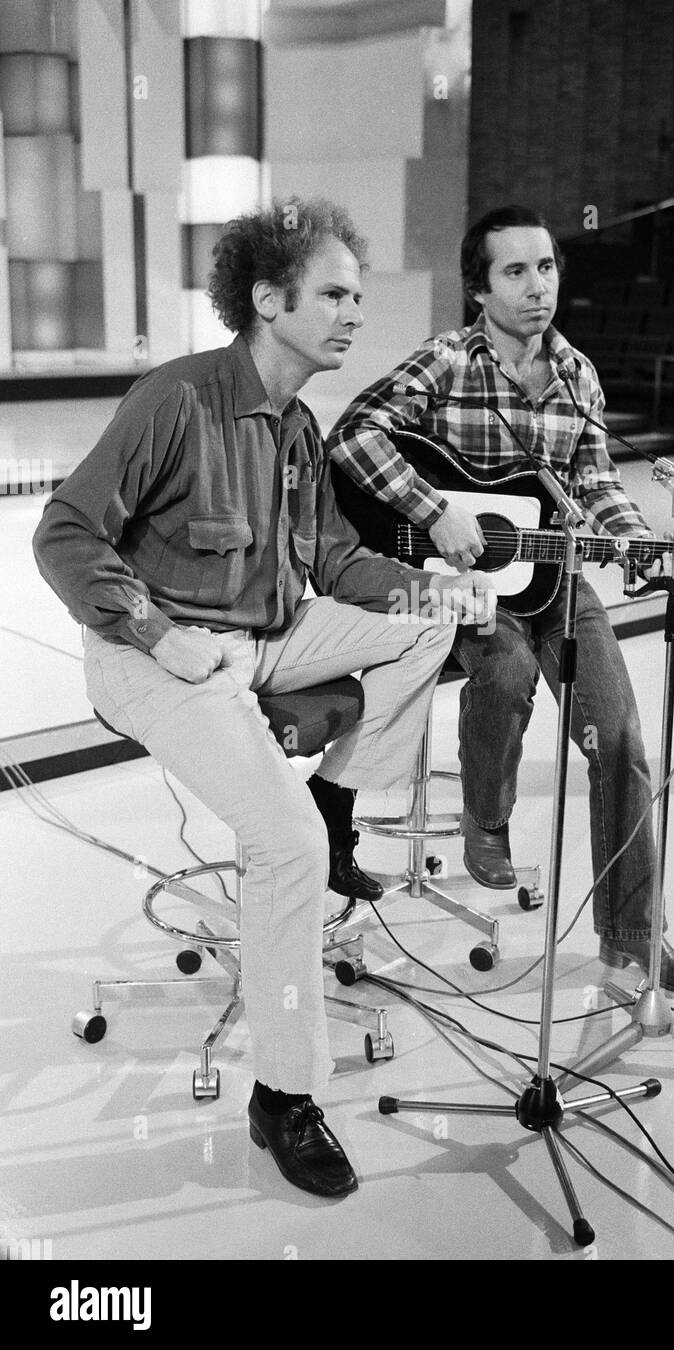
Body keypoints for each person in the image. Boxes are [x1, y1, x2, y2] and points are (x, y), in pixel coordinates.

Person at [32, 197, 495, 1198]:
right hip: (152, 651)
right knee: (278, 846)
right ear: (268, 297)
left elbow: (328, 558)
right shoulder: (177, 399)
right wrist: (160, 634)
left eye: (357, 297)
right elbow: (64, 535)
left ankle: (336, 803)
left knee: (430, 622)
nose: (352, 314)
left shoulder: (297, 426)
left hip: (268, 632)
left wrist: (432, 587)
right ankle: (285, 1096)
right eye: (333, 293)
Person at [328, 204, 674, 996]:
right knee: (503, 676)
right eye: (516, 271)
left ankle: (632, 935)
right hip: (470, 587)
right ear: (479, 287)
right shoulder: (445, 360)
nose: (538, 287)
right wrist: (438, 512)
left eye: (546, 269)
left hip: (557, 578)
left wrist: (634, 540)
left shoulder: (577, 374)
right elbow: (353, 436)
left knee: (622, 742)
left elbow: (597, 481)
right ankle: (486, 819)